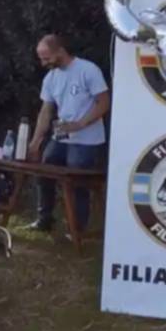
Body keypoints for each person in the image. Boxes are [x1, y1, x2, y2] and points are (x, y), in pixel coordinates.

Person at [28, 34, 110, 235]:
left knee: (76, 180)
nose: (43, 63)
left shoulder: (87, 70)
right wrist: (36, 140)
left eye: (46, 58)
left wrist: (81, 124)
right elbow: (46, 110)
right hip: (61, 137)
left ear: (60, 52)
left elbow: (104, 102)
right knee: (45, 170)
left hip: (87, 139)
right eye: (41, 58)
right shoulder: (51, 78)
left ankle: (77, 227)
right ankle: (44, 219)